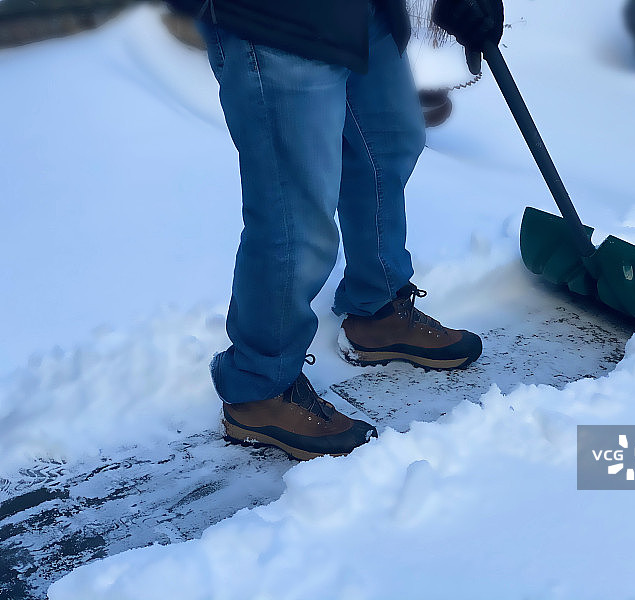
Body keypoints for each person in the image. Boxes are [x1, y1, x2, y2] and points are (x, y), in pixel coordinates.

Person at [174, 0, 504, 460]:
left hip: (364, 10)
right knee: (295, 211)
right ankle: (259, 388)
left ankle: (377, 307)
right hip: (276, 20)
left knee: (388, 145)